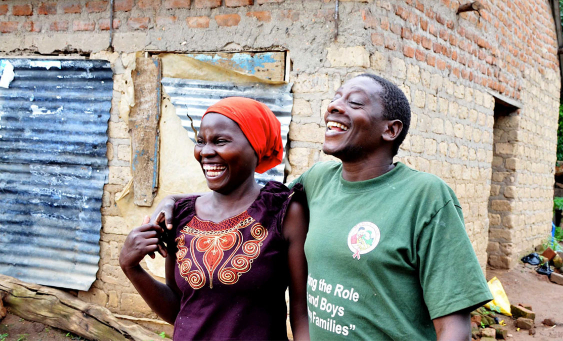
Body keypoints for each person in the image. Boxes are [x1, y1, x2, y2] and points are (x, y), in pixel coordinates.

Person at [153, 74, 492, 340]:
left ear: (391, 130)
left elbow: (454, 326)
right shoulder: (317, 181)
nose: (334, 106)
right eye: (335, 98)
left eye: (354, 102)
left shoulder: (425, 197)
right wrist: (173, 203)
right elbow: (244, 196)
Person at [120, 97, 309, 341]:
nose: (206, 152)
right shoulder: (182, 216)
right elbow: (180, 309)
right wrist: (130, 267)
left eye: (220, 141)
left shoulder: (283, 212)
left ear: (255, 146)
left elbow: (301, 314)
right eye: (201, 141)